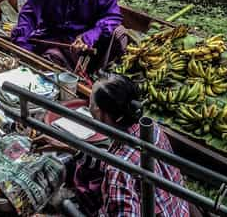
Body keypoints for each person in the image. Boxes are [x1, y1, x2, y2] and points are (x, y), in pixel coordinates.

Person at [74, 74, 190, 217]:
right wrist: (72, 150)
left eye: (91, 103)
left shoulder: (118, 170)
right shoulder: (151, 128)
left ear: (99, 111)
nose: (89, 106)